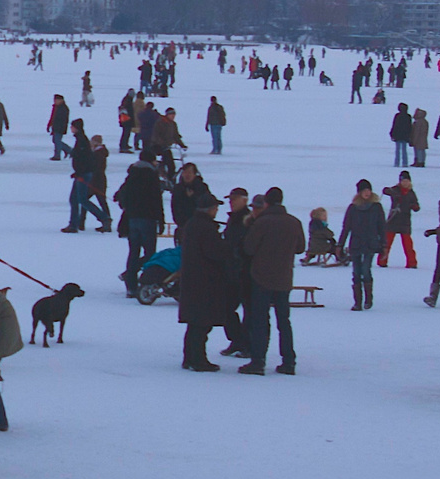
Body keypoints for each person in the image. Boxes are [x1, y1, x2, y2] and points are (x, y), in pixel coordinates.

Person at [239, 187, 301, 376]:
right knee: (284, 321)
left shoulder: (262, 223)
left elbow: (248, 248)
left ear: (266, 202)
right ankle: (288, 361)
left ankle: (258, 361)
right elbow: (300, 248)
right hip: (284, 278)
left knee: (260, 320)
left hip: (261, 277)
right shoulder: (294, 222)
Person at [175, 189, 233, 371]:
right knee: (202, 324)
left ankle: (189, 357)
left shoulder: (192, 225)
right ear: (210, 209)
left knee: (194, 324)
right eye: (216, 208)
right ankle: (199, 359)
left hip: (192, 279)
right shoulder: (206, 228)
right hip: (205, 281)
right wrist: (228, 249)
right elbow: (215, 253)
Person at [114, 155, 164, 297]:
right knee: (150, 253)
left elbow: (121, 193)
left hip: (132, 219)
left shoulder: (132, 174)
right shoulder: (151, 175)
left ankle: (131, 284)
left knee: (133, 252)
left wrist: (125, 204)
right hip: (148, 218)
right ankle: (144, 282)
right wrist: (161, 219)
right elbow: (156, 199)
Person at [339, 179, 386, 311]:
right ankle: (357, 302)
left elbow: (382, 227)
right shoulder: (353, 208)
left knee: (365, 270)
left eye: (368, 190)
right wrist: (340, 245)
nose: (367, 193)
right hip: (356, 244)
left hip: (371, 244)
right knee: (356, 272)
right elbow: (346, 227)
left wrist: (384, 245)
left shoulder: (376, 207)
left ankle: (368, 299)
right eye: (364, 191)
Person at [381, 172, 420, 270]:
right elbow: (386, 191)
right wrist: (390, 192)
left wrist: (415, 207)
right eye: (403, 181)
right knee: (387, 243)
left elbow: (416, 204)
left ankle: (412, 263)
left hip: (405, 222)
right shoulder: (395, 190)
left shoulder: (411, 193)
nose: (405, 183)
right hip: (393, 220)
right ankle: (382, 261)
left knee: (408, 244)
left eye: (407, 181)